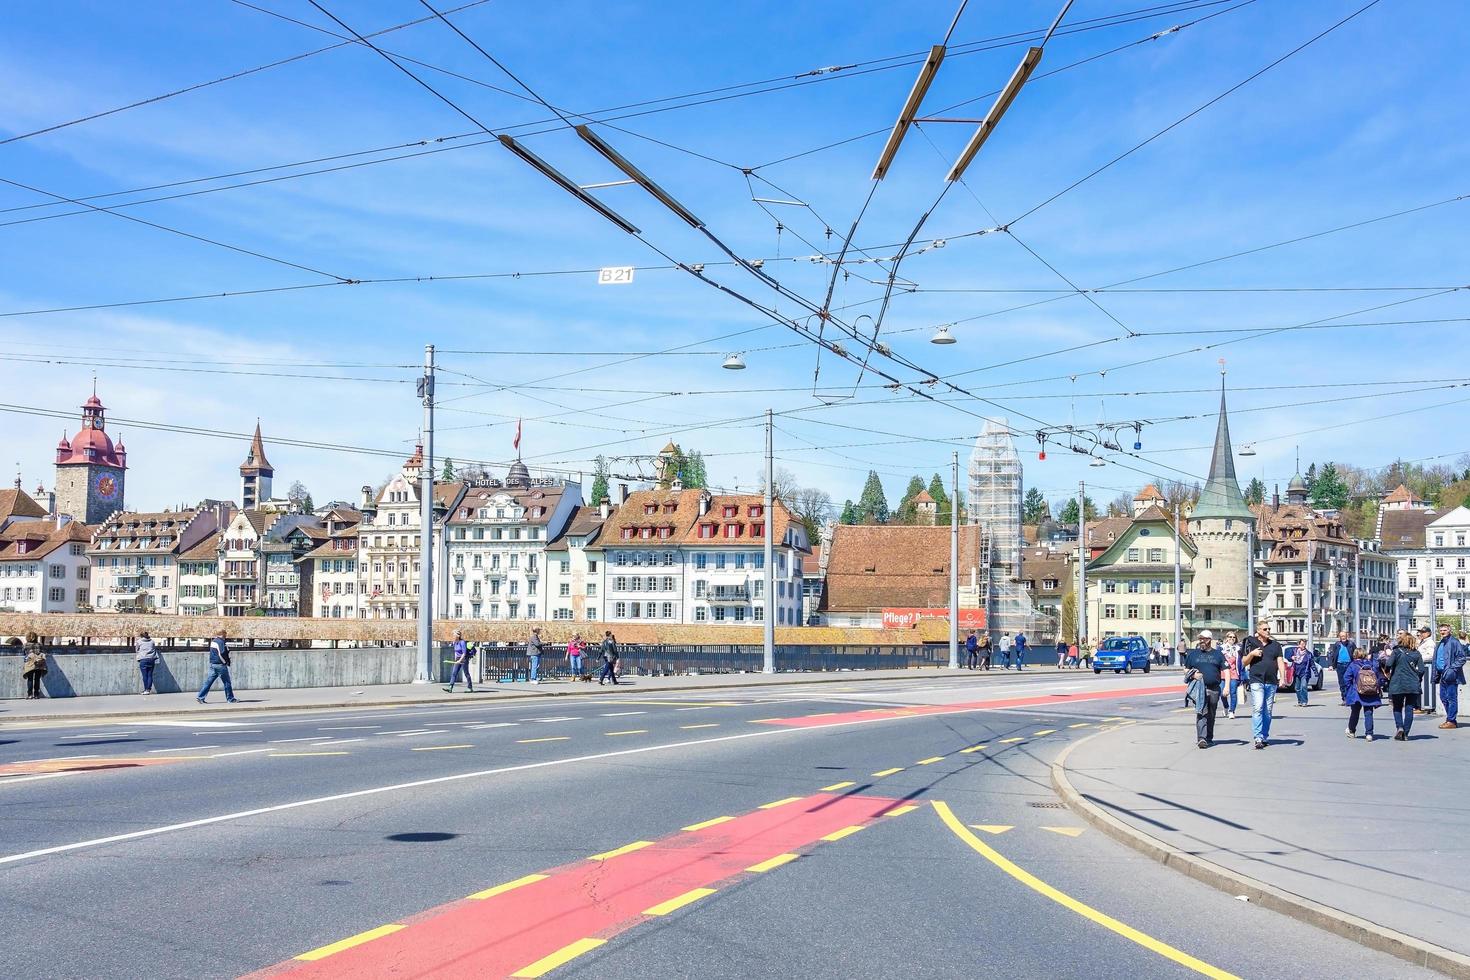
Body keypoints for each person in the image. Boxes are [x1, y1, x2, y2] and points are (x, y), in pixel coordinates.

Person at [1241, 622, 1284, 749]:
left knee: (1268, 711)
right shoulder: (1251, 642)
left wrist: (1282, 677)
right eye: (1265, 629)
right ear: (1258, 630)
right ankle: (1258, 737)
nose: (1268, 631)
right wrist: (1252, 654)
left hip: (1271, 681)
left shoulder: (1275, 645)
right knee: (1258, 707)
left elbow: (1280, 662)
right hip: (1256, 679)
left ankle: (1264, 736)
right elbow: (1244, 662)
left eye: (1269, 629)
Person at [1184, 630, 1227, 748]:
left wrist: (1227, 686)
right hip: (1200, 689)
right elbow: (1186, 669)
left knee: (1211, 714)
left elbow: (1226, 670)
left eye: (1204, 639)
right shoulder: (1193, 654)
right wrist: (1193, 675)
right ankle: (1201, 739)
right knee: (1201, 712)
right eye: (1200, 639)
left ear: (1209, 640)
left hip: (1214, 689)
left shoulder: (1218, 654)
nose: (1201, 641)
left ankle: (1209, 737)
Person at [1384, 630, 1425, 740]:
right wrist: (1417, 678)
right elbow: (1421, 669)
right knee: (1409, 708)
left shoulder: (1397, 651)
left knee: (1397, 707)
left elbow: (1388, 664)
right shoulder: (1416, 653)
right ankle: (1406, 733)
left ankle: (1400, 728)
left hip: (1398, 682)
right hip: (1412, 684)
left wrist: (1387, 672)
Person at [1343, 648, 1385, 741]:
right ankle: (1369, 734)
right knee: (1368, 713)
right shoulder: (1371, 665)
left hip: (1357, 692)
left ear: (1355, 655)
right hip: (1370, 693)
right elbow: (1379, 678)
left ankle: (1352, 730)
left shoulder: (1353, 665)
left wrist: (1350, 689)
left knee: (1355, 712)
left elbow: (1346, 678)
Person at [1432, 622, 1467, 730]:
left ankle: (1451, 720)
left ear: (1449, 630)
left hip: (1451, 675)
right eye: (1441, 630)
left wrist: (1452, 669)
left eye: (1445, 630)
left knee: (1451, 697)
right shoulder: (1441, 642)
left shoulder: (1454, 642)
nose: (1442, 632)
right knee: (1443, 697)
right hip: (1442, 674)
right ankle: (1450, 719)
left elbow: (1462, 658)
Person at [196, 630, 237, 704]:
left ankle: (200, 697)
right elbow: (221, 653)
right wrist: (225, 662)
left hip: (213, 664)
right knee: (227, 682)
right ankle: (230, 699)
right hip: (220, 665)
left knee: (208, 682)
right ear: (223, 635)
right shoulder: (220, 642)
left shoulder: (213, 641)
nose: (226, 637)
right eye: (225, 635)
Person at [1416, 626, 1438, 715]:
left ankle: (1426, 707)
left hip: (1426, 667)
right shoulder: (1423, 642)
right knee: (1420, 686)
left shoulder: (1429, 643)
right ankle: (1421, 706)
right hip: (1422, 666)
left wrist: (1418, 659)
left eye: (1423, 632)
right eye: (1421, 632)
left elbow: (1431, 655)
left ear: (1428, 633)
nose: (1421, 634)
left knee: (1425, 686)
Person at [1331, 630, 1356, 705]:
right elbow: (1333, 655)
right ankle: (1344, 698)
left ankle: (1350, 698)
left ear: (1347, 636)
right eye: (1341, 636)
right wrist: (1331, 665)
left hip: (1349, 665)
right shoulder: (1337, 644)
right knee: (1342, 683)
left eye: (1344, 636)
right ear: (1339, 637)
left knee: (1349, 681)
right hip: (1339, 665)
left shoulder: (1351, 644)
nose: (1343, 638)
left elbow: (1356, 653)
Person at [21, 632, 47, 699]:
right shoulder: (40, 644)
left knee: (30, 679)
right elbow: (43, 653)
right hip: (38, 664)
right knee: (37, 679)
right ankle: (36, 694)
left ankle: (30, 695)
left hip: (29, 664)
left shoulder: (25, 645)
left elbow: (23, 653)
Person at [1290, 639, 1313, 707]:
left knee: (1303, 686)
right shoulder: (1294, 652)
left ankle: (1304, 701)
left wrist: (1316, 672)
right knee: (1297, 688)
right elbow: (1288, 658)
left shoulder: (1308, 654)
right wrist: (1292, 657)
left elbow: (1312, 663)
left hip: (1305, 673)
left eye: (1304, 644)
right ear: (1298, 645)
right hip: (1296, 672)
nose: (1303, 645)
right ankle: (1300, 701)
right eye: (1302, 644)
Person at [135, 631, 159, 695]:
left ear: (141, 636)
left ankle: (146, 690)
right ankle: (148, 689)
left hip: (143, 659)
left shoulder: (139, 642)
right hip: (151, 659)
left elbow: (137, 650)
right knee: (150, 675)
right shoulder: (152, 641)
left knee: (145, 675)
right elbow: (154, 648)